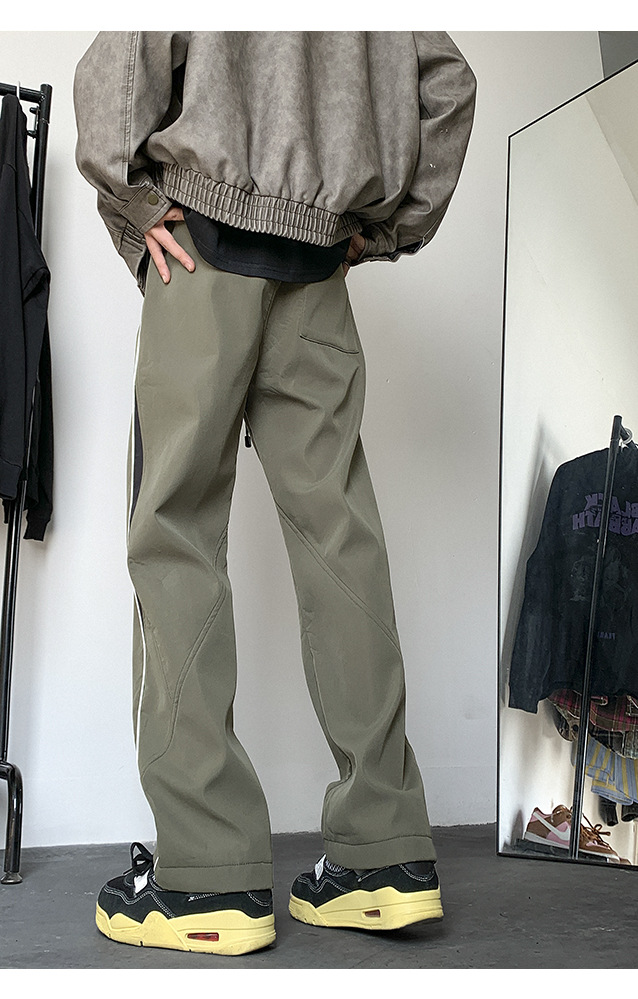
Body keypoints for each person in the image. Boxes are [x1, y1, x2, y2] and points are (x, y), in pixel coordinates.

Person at [74, 30, 476, 956]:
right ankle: (384, 856)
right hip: (317, 268)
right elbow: (449, 80)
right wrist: (383, 227)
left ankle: (206, 873)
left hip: (201, 258)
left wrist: (134, 200)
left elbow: (125, 56)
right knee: (340, 537)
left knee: (175, 533)